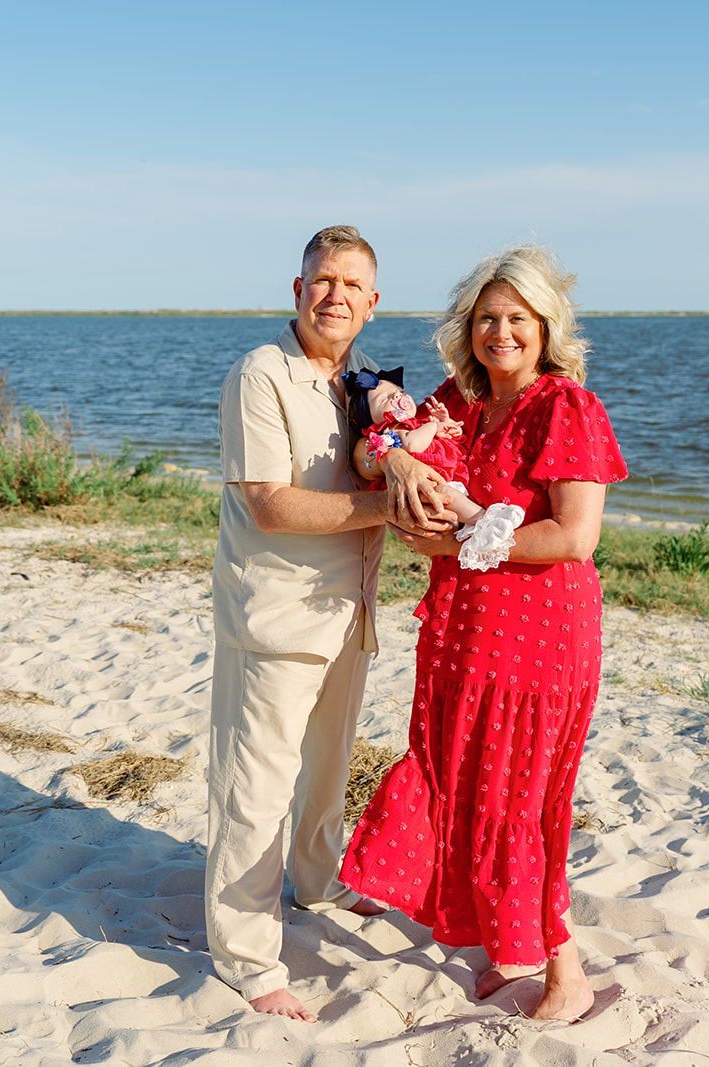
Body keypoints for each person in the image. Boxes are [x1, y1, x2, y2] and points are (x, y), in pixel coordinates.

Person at [340, 245, 628, 1022]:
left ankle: (567, 972)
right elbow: (377, 428)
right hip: (460, 628)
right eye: (487, 318)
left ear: (544, 328)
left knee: (522, 800)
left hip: (540, 635)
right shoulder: (459, 402)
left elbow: (573, 537)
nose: (500, 331)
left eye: (517, 319)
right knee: (455, 777)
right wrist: (395, 459)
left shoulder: (565, 406)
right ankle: (507, 950)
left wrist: (457, 536)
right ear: (468, 330)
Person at [207, 225, 450, 1022]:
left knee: (327, 765)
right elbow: (269, 503)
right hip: (275, 618)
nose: (335, 294)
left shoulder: (364, 383)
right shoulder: (261, 375)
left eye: (351, 285)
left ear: (372, 303)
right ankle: (246, 954)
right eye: (323, 279)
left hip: (351, 614)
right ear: (298, 288)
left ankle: (316, 880)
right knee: (255, 788)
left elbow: (391, 456)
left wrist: (421, 467)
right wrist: (392, 503)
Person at [342, 367, 524, 571]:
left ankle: (475, 529)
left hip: (448, 476)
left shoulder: (416, 423)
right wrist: (432, 427)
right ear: (373, 420)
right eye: (386, 400)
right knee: (445, 494)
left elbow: (452, 438)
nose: (397, 397)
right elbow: (413, 445)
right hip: (428, 487)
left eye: (399, 393)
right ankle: (484, 521)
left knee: (452, 495)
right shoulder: (393, 431)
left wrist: (445, 424)